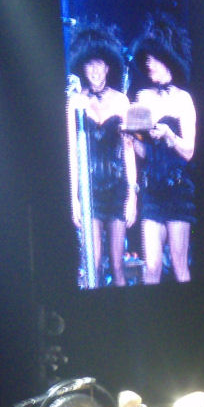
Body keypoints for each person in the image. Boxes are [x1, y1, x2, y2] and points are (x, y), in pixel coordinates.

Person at [66, 21, 137, 288]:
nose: (95, 71)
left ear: (108, 66)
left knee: (118, 266)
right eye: (90, 65)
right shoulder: (75, 103)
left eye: (99, 64)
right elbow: (72, 153)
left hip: (117, 189)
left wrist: (132, 196)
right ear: (83, 68)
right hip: (89, 191)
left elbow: (129, 151)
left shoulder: (121, 101)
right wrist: (74, 199)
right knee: (93, 263)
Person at [129, 14, 197, 284]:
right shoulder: (143, 97)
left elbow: (189, 151)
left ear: (166, 59)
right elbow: (144, 154)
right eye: (146, 60)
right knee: (152, 266)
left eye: (153, 59)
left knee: (179, 265)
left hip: (178, 190)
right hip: (152, 192)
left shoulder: (184, 100)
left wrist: (169, 135)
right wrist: (131, 139)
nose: (148, 65)